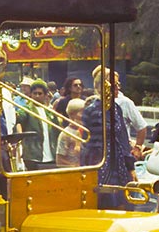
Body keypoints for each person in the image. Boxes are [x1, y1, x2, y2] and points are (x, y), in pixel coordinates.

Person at [81, 69, 136, 209]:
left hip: (119, 163)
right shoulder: (91, 110)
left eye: (118, 85)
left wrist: (130, 167)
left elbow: (123, 139)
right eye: (114, 85)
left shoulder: (116, 109)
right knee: (105, 202)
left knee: (123, 202)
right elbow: (87, 142)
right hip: (100, 164)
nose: (117, 88)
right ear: (102, 87)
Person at [17, 79, 60, 170]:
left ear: (45, 95)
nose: (37, 96)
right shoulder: (26, 109)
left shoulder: (50, 112)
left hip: (51, 154)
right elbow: (18, 121)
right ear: (31, 94)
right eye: (34, 93)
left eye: (40, 94)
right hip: (33, 155)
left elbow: (57, 131)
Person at [55, 99, 87, 167]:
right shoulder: (65, 134)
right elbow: (59, 160)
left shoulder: (86, 131)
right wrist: (75, 166)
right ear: (72, 114)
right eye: (82, 112)